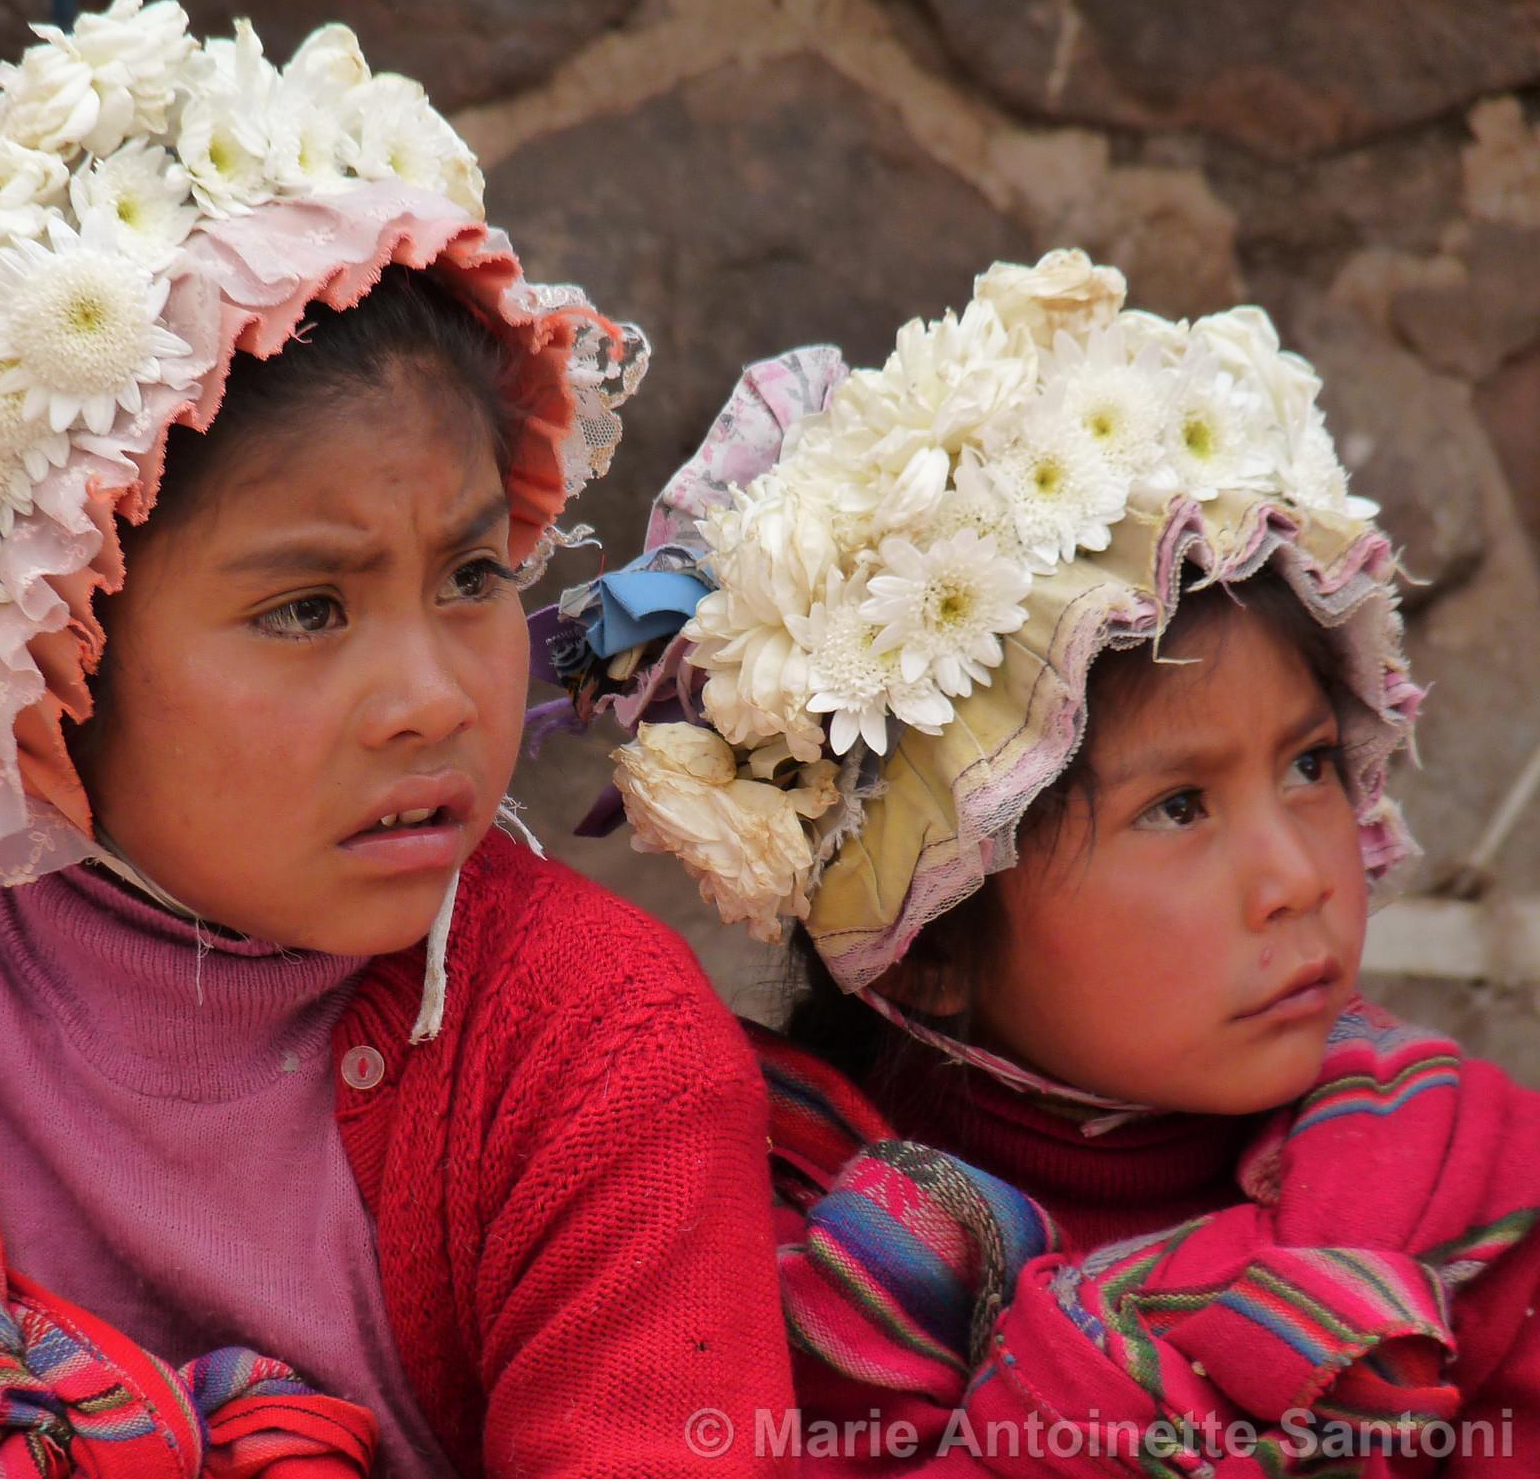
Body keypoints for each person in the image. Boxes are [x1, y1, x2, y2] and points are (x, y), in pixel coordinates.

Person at [0, 0, 795, 1478]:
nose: (438, 697)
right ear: (50, 651)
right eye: (307, 609)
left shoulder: (597, 1052)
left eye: (472, 577)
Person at [536, 251, 1540, 1474]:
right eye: (1176, 809)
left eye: (1310, 766)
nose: (1298, 876)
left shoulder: (1455, 1182)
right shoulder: (762, 1263)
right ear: (932, 943)